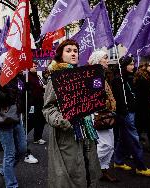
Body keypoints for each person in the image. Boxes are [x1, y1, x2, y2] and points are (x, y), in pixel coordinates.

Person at [42, 39, 101, 188]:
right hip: (67, 134)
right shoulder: (55, 78)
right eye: (68, 51)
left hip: (86, 132)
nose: (73, 53)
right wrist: (63, 120)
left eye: (75, 51)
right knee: (71, 175)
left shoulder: (82, 75)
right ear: (61, 55)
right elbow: (48, 108)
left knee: (89, 170)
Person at [0, 55, 37, 188]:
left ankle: (5, 170)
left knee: (21, 150)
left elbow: (21, 94)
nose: (18, 64)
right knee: (10, 153)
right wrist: (2, 97)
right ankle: (11, 184)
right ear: (6, 63)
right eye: (15, 61)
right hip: (3, 121)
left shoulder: (19, 77)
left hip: (16, 119)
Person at [112, 56, 150, 176]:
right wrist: (125, 111)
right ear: (124, 65)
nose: (133, 66)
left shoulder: (130, 77)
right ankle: (140, 167)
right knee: (135, 139)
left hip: (131, 112)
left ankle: (118, 161)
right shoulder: (118, 79)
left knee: (123, 138)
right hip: (125, 113)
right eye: (130, 64)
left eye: (133, 64)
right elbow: (119, 99)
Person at [88, 50, 119, 183]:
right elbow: (95, 98)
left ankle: (103, 170)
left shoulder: (101, 75)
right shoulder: (95, 76)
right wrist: (106, 102)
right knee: (105, 145)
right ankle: (90, 168)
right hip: (100, 115)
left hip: (107, 114)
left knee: (110, 145)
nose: (107, 60)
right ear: (98, 60)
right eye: (105, 58)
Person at [134, 59, 150, 153]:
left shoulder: (149, 76)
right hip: (145, 105)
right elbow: (144, 92)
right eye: (149, 65)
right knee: (148, 127)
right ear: (144, 67)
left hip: (148, 104)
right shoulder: (142, 78)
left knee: (148, 127)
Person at [27, 63, 46, 145]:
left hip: (40, 101)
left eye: (36, 67)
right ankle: (22, 135)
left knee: (41, 120)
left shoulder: (38, 76)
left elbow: (40, 86)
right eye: (34, 66)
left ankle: (38, 137)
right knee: (32, 120)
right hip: (32, 103)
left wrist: (43, 87)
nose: (36, 68)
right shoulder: (27, 77)